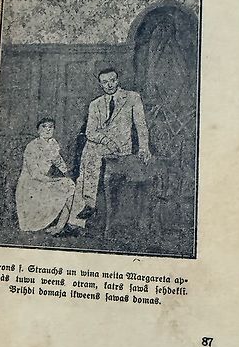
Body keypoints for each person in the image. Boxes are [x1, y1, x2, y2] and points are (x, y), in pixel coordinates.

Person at [69, 68, 150, 228]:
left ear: (118, 80)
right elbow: (90, 132)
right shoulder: (95, 104)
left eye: (112, 80)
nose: (109, 85)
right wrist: (107, 141)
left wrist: (144, 148)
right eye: (105, 82)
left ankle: (88, 203)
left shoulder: (132, 97)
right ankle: (84, 209)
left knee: (89, 152)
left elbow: (141, 125)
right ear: (100, 84)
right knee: (90, 149)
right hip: (100, 146)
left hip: (121, 147)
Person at [15, 118, 75, 235]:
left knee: (69, 184)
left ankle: (60, 226)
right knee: (63, 185)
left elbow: (58, 161)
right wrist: (53, 180)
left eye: (50, 127)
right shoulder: (32, 146)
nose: (47, 129)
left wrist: (66, 174)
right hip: (30, 184)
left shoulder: (53, 143)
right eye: (44, 126)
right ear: (38, 130)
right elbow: (34, 174)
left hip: (43, 182)